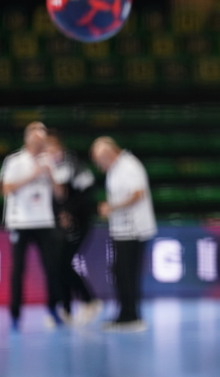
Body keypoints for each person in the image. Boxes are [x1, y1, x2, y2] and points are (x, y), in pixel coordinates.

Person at [0, 121, 64, 331]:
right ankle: (15, 313)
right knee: (18, 269)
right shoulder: (14, 161)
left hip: (44, 221)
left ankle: (53, 308)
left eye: (43, 140)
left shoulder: (49, 162)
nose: (40, 144)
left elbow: (60, 194)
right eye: (36, 140)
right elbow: (5, 188)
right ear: (27, 140)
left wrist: (51, 175)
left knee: (52, 267)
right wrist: (32, 176)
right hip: (21, 222)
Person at [91, 136, 157, 333]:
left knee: (126, 273)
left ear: (108, 154)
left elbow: (138, 194)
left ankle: (131, 316)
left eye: (99, 160)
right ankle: (125, 315)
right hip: (121, 229)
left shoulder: (129, 166)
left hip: (133, 229)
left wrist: (112, 207)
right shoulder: (116, 168)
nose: (99, 165)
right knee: (120, 273)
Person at [45, 132, 103, 325]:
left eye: (52, 147)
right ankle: (67, 309)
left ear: (60, 147)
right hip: (60, 222)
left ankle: (89, 300)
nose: (49, 151)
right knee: (59, 265)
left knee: (62, 263)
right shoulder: (48, 167)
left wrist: (70, 213)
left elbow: (86, 193)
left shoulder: (73, 165)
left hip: (79, 222)